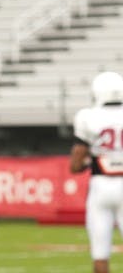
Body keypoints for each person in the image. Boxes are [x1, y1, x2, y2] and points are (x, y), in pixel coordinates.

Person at [70, 71, 123, 273]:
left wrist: (90, 161)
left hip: (101, 188)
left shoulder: (88, 117)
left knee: (100, 254)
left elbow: (75, 165)